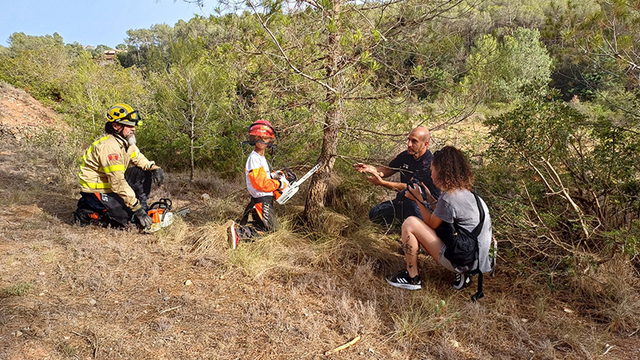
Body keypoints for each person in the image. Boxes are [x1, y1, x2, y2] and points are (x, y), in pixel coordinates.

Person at [385, 146, 492, 291]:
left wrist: (418, 199)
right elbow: (444, 215)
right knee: (439, 229)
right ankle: (464, 275)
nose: (431, 175)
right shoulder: (469, 194)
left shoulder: (449, 198)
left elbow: (431, 223)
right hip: (478, 259)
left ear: (441, 172)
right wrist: (429, 199)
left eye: (432, 170)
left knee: (410, 223)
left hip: (465, 260)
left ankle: (412, 278)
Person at [72, 103, 164, 230]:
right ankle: (87, 211)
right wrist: (136, 209)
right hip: (96, 190)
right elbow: (118, 183)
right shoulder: (110, 147)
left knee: (143, 172)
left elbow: (138, 157)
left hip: (110, 184)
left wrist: (153, 167)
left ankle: (143, 208)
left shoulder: (126, 141)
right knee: (126, 220)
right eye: (129, 125)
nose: (133, 129)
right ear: (116, 126)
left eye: (134, 125)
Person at [353, 126, 440, 228]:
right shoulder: (405, 156)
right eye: (408, 140)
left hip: (424, 205)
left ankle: (419, 231)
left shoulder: (429, 164)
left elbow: (410, 188)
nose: (409, 144)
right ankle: (401, 223)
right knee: (375, 214)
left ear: (425, 144)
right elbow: (388, 169)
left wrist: (382, 183)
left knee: (413, 209)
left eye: (414, 141)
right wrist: (372, 169)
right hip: (404, 200)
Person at [227, 119, 288, 249]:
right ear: (253, 138)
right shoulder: (254, 158)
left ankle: (238, 231)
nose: (261, 140)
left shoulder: (260, 158)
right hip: (261, 201)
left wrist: (274, 176)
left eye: (265, 138)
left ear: (269, 140)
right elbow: (259, 183)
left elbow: (262, 177)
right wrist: (278, 185)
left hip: (263, 199)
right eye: (258, 137)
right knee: (272, 231)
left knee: (261, 226)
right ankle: (238, 234)